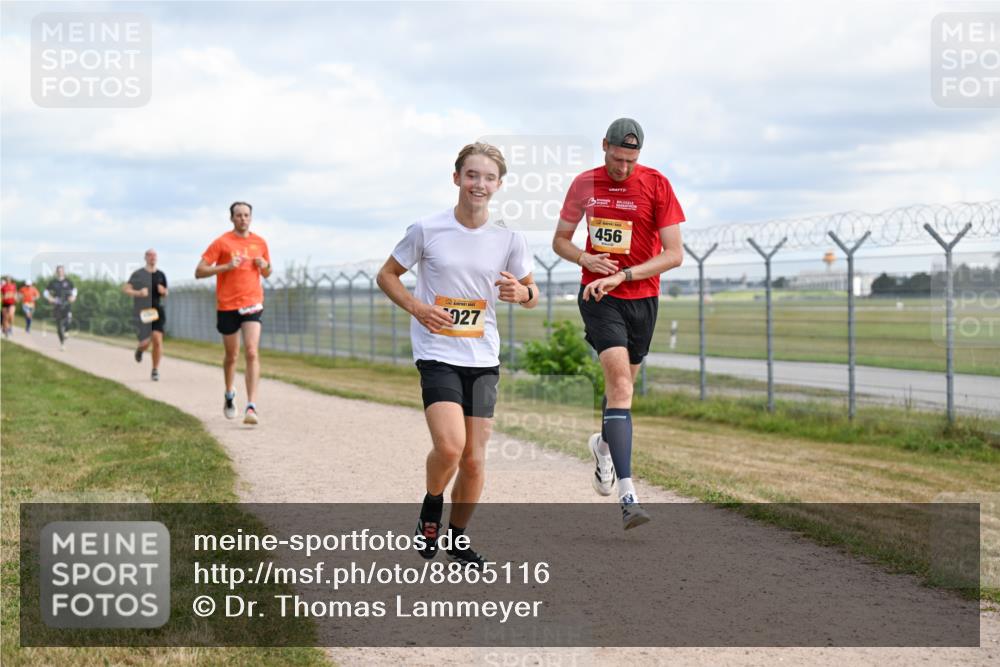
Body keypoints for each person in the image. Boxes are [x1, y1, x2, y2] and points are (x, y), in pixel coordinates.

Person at [377, 142, 537, 569]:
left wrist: (523, 293)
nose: (478, 185)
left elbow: (531, 292)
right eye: (471, 175)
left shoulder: (508, 237)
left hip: (483, 356)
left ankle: (459, 537)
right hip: (437, 351)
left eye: (488, 178)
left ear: (499, 185)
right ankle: (432, 505)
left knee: (474, 458)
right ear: (456, 178)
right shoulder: (427, 230)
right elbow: (387, 275)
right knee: (450, 447)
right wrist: (417, 307)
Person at [551, 118, 684, 530]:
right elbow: (560, 240)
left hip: (641, 300)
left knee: (622, 391)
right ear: (603, 146)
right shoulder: (584, 184)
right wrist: (584, 259)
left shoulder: (656, 184)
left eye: (631, 160)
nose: (623, 167)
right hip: (598, 295)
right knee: (621, 385)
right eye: (616, 157)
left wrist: (625, 275)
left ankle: (604, 446)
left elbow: (674, 254)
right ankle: (628, 496)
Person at [195, 202, 272, 425]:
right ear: (232, 218)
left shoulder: (260, 242)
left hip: (252, 303)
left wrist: (265, 265)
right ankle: (229, 393)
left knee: (251, 351)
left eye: (246, 215)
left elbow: (267, 272)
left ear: (251, 217)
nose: (243, 219)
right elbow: (199, 271)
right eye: (238, 215)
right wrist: (226, 267)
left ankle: (251, 406)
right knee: (232, 356)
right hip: (227, 305)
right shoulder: (222, 242)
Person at [123, 249, 168, 381]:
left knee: (157, 339)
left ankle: (155, 370)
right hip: (141, 312)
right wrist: (138, 293)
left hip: (156, 311)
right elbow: (125, 289)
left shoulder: (161, 275)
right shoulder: (138, 274)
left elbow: (166, 292)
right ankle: (140, 350)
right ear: (145, 258)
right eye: (150, 255)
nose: (153, 257)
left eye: (155, 255)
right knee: (145, 342)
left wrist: (164, 291)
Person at [44, 266, 77, 351]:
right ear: (56, 272)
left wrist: (73, 296)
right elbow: (45, 292)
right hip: (57, 305)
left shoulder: (68, 281)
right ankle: (62, 344)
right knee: (59, 327)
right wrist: (49, 298)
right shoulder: (53, 282)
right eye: (58, 271)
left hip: (66, 304)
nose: (60, 272)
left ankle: (66, 331)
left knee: (68, 319)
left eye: (61, 271)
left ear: (64, 272)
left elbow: (74, 290)